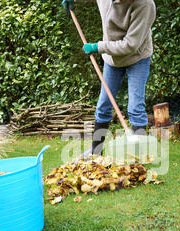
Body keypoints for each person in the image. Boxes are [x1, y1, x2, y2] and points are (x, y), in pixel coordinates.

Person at [62, 0, 156, 155]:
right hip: (112, 59)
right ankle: (96, 151)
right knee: (103, 105)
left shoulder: (145, 4)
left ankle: (141, 156)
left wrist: (98, 47)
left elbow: (130, 45)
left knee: (135, 107)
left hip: (137, 57)